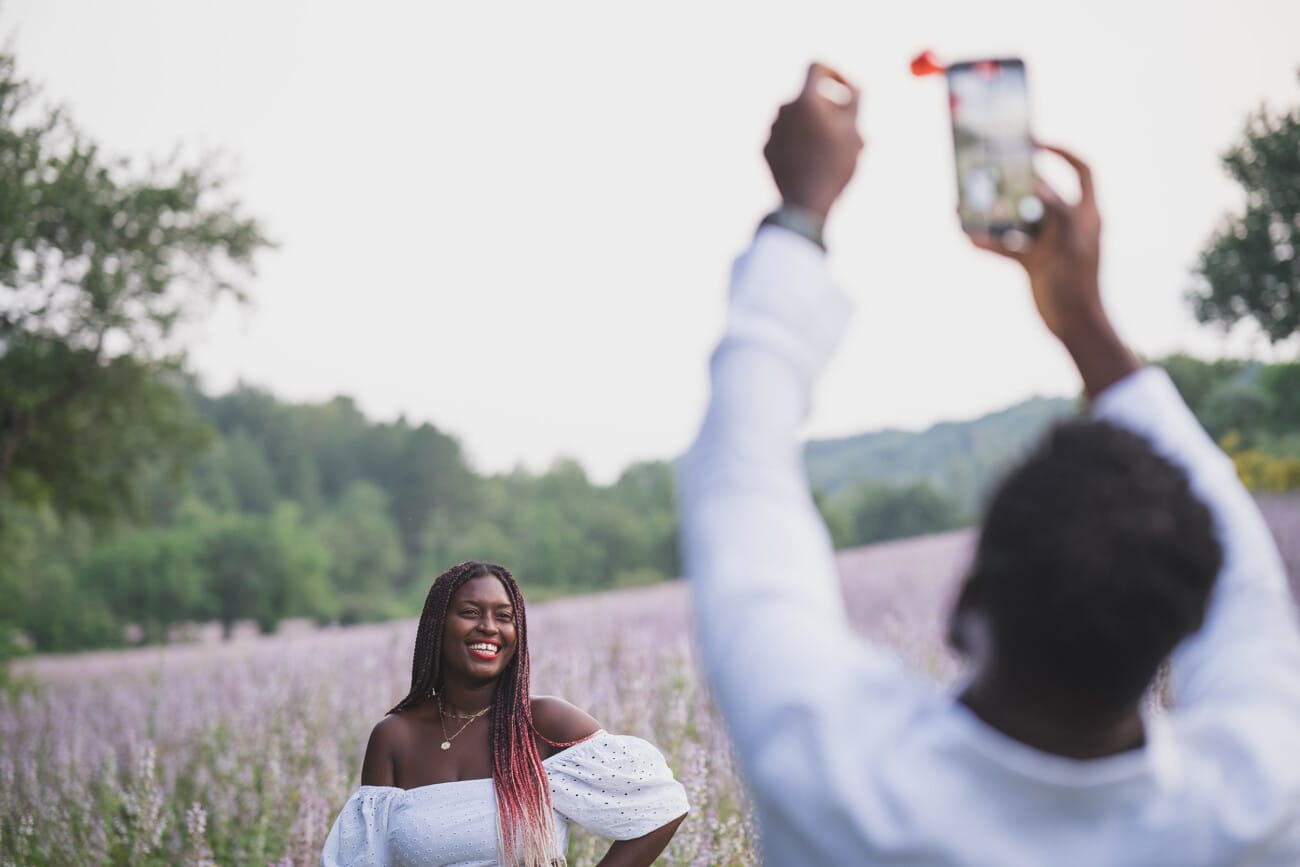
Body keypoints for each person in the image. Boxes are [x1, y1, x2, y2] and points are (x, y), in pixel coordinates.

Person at [678, 62, 1300, 865]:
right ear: (1180, 638)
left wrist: (803, 207)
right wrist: (1085, 318)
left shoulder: (838, 774)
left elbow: (741, 484)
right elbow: (1247, 580)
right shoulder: (1256, 798)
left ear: (962, 599)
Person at [320, 561, 688, 867]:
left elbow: (661, 809)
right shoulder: (395, 737)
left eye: (504, 616)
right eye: (469, 613)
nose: (489, 627)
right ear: (437, 625)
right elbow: (362, 858)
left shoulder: (544, 724)